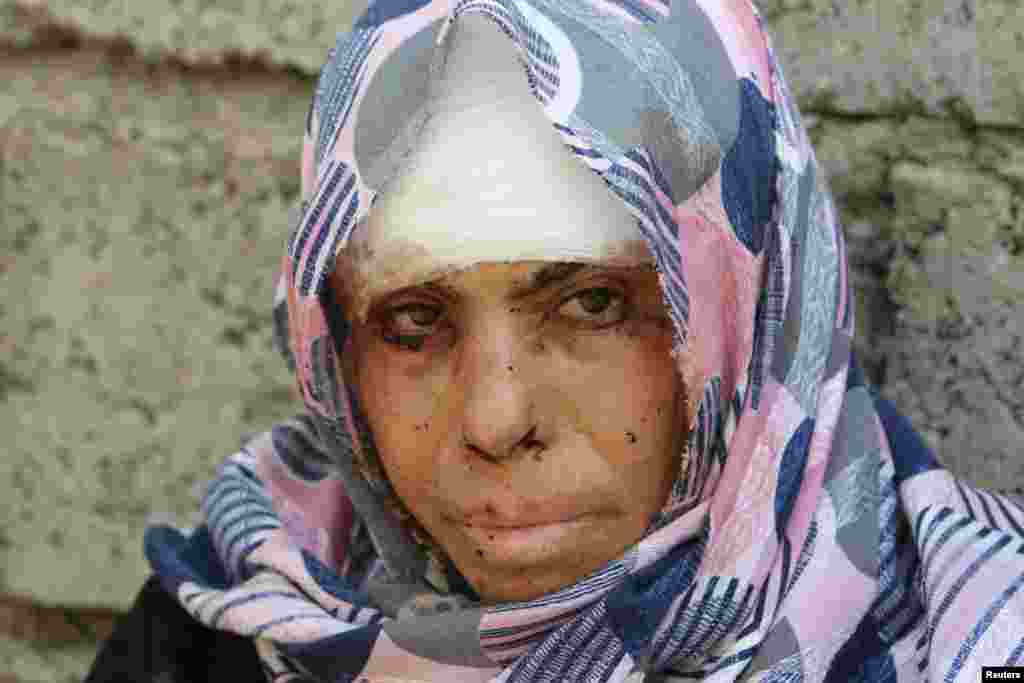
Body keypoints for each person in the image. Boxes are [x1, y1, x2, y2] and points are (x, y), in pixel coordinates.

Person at [87, 1, 1024, 681]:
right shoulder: (234, 619)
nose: (496, 419)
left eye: (592, 305)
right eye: (412, 323)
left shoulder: (977, 635)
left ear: (752, 309)